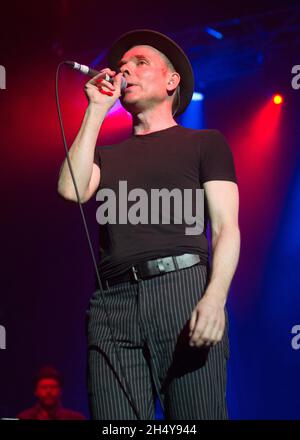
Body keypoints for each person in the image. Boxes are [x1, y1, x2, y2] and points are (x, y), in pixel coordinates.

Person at [57, 29, 240, 420]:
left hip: (182, 291)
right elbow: (70, 190)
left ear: (172, 81)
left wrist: (215, 298)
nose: (126, 71)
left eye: (140, 63)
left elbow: (227, 227)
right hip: (112, 303)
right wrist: (95, 109)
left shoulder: (205, 143)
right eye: (122, 66)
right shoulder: (105, 155)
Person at [17, 365, 86, 420]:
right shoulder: (23, 417)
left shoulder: (75, 418)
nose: (49, 391)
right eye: (44, 387)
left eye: (53, 386)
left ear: (60, 391)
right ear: (35, 391)